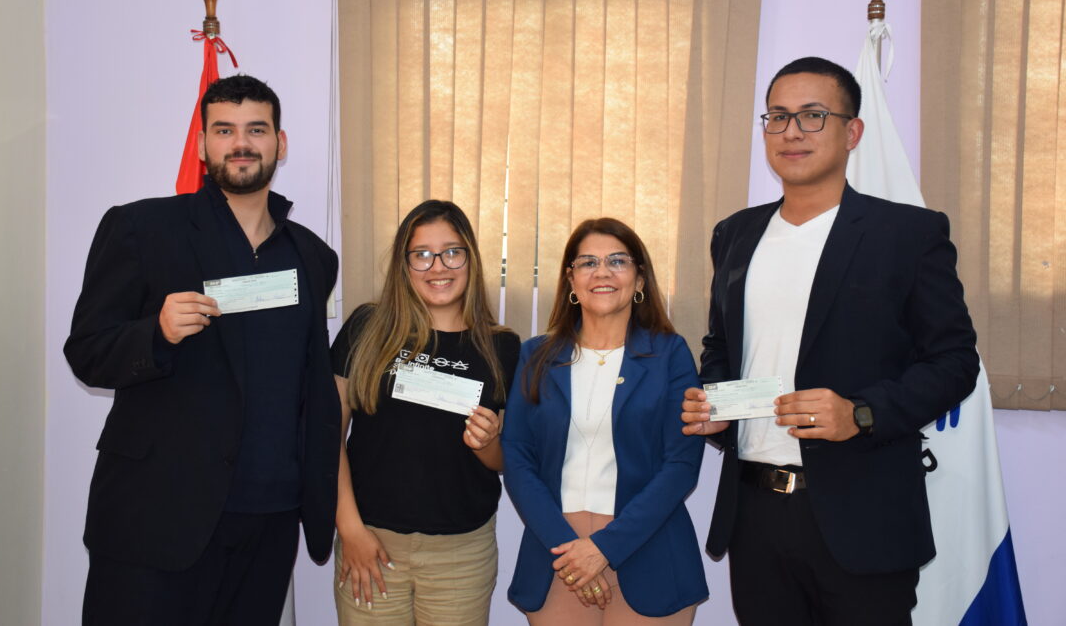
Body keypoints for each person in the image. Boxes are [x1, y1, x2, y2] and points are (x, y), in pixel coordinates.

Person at [681, 57, 980, 626]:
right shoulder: (735, 234)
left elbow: (955, 362)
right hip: (756, 513)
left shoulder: (908, 234)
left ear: (852, 131)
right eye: (777, 117)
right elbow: (722, 345)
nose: (791, 131)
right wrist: (716, 403)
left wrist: (861, 413)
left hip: (864, 514)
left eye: (813, 116)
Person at [65, 74, 341, 625]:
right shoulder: (141, 228)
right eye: (224, 130)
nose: (241, 143)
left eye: (257, 129)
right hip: (155, 520)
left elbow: (310, 388)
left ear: (279, 144)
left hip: (270, 519)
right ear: (202, 145)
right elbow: (87, 352)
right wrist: (156, 332)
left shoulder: (313, 256)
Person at [503, 218, 708, 625]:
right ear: (571, 280)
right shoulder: (536, 355)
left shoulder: (670, 354)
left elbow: (681, 465)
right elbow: (517, 456)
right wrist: (570, 548)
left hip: (649, 548)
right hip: (557, 553)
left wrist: (604, 549)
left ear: (639, 279)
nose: (602, 272)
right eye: (587, 263)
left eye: (617, 261)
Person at [330, 200, 520, 625]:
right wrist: (350, 530)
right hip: (370, 543)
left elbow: (505, 460)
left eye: (452, 252)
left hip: (461, 554)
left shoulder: (501, 346)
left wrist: (489, 443)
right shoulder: (366, 328)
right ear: (404, 264)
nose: (439, 267)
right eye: (422, 255)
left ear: (470, 258)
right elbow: (326, 435)